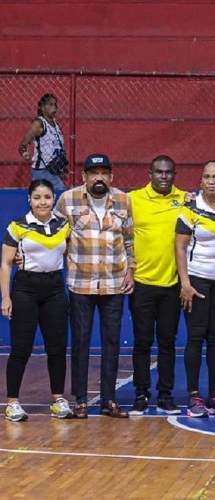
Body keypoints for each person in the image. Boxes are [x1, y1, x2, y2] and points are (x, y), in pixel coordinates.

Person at [55, 153, 134, 419]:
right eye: (93, 173)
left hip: (114, 283)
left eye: (104, 173)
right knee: (80, 342)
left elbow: (129, 240)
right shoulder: (67, 200)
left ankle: (108, 400)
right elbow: (53, 235)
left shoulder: (123, 201)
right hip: (80, 283)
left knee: (111, 342)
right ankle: (80, 400)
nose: (99, 177)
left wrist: (130, 271)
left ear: (111, 176)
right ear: (84, 176)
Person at [1, 180, 72, 421]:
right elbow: (6, 264)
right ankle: (12, 403)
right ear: (29, 200)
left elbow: (69, 256)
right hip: (25, 290)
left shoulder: (64, 225)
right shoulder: (17, 226)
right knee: (21, 348)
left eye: (47, 197)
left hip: (54, 289)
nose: (43, 202)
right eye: (37, 197)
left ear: (54, 199)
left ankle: (58, 400)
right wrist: (6, 298)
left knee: (57, 348)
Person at [175, 161, 215, 418]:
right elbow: (179, 247)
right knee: (195, 337)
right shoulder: (189, 209)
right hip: (197, 280)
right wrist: (185, 284)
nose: (211, 181)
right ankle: (193, 396)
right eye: (207, 177)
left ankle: (214, 394)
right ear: (200, 182)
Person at [127, 155, 186, 416]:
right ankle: (141, 395)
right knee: (141, 342)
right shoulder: (134, 200)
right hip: (141, 283)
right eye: (159, 172)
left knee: (167, 343)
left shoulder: (185, 200)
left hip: (172, 284)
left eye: (168, 172)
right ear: (149, 173)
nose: (163, 176)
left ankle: (165, 395)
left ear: (174, 175)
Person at [18, 93, 67, 190]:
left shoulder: (56, 125)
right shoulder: (39, 123)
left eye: (55, 104)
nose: (54, 107)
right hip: (43, 169)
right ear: (42, 107)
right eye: (50, 104)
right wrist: (24, 152)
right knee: (61, 194)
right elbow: (24, 143)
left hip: (54, 168)